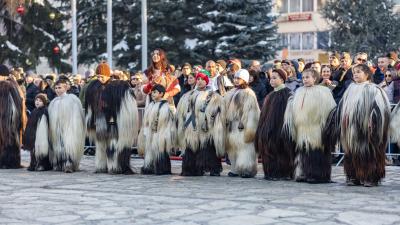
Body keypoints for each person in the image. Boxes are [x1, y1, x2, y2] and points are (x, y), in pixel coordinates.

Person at [337, 64, 390, 187]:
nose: (355, 74)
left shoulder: (374, 89)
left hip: (367, 128)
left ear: (367, 74)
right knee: (352, 153)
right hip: (351, 129)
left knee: (368, 152)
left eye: (359, 72)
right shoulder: (350, 89)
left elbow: (379, 107)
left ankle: (370, 177)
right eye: (354, 72)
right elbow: (342, 107)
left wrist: (373, 121)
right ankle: (353, 176)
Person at [84, 62, 139, 174]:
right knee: (100, 144)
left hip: (112, 121)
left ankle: (114, 166)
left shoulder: (116, 87)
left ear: (108, 75)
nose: (100, 79)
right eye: (98, 76)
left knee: (112, 143)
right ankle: (101, 166)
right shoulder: (94, 87)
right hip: (100, 120)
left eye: (102, 76)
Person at [284, 69, 336, 183]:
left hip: (317, 129)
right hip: (301, 129)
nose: (305, 80)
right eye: (303, 78)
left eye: (308, 77)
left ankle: (318, 175)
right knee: (302, 152)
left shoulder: (323, 92)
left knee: (316, 152)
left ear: (315, 78)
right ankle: (303, 173)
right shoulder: (299, 92)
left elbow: (330, 110)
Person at [177, 71, 225, 176]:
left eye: (202, 79)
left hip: (207, 128)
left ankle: (213, 169)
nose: (199, 81)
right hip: (191, 127)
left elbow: (218, 112)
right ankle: (191, 169)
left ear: (207, 81)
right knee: (191, 148)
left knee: (208, 148)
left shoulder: (214, 96)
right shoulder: (187, 96)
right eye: (198, 79)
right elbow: (182, 112)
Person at [255, 69, 294, 180]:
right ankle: (271, 172)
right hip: (269, 130)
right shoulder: (270, 95)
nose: (271, 80)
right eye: (271, 78)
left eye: (274, 78)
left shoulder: (288, 94)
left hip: (281, 130)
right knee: (269, 150)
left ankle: (284, 173)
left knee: (281, 150)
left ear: (282, 79)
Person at [225, 69, 260, 178]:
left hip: (242, 125)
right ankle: (235, 169)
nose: (235, 80)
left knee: (245, 148)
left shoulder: (249, 93)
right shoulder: (230, 93)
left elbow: (252, 112)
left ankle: (247, 169)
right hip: (231, 125)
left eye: (238, 78)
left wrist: (248, 127)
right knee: (232, 148)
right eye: (235, 78)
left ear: (244, 80)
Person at [138, 84, 176, 175]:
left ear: (161, 93)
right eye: (152, 92)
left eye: (155, 92)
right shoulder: (151, 104)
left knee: (161, 151)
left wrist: (172, 106)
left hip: (162, 132)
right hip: (150, 132)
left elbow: (174, 116)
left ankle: (162, 169)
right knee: (150, 150)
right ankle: (149, 167)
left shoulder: (167, 105)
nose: (152, 94)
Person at [48, 79, 85, 173]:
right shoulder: (53, 102)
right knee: (58, 146)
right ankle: (59, 164)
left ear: (65, 87)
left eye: (59, 87)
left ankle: (69, 164)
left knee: (69, 146)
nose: (57, 90)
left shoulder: (72, 99)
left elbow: (77, 115)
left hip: (70, 128)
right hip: (57, 129)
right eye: (56, 88)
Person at [0, 64, 26, 169]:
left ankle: (6, 162)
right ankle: (10, 161)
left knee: (7, 140)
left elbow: (10, 106)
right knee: (10, 140)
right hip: (11, 120)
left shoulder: (6, 87)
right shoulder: (14, 86)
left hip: (7, 120)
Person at [23, 94, 52, 171]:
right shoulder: (34, 111)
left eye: (40, 101)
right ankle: (34, 164)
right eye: (36, 100)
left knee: (42, 150)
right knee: (34, 150)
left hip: (42, 135)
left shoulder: (45, 111)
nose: (37, 102)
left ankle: (42, 165)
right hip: (33, 135)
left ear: (44, 102)